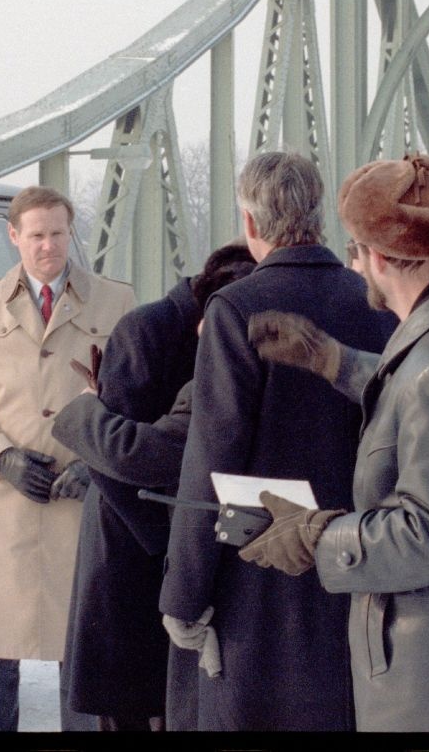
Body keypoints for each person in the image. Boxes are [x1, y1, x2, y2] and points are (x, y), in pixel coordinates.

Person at [242, 154, 429, 732]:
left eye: (355, 251)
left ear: (377, 258)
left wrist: (318, 535)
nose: (354, 264)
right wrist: (338, 363)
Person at [158, 152, 395, 731]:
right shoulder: (377, 303)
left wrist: (183, 596)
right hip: (359, 564)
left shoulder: (235, 308)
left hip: (260, 574)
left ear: (250, 223)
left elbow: (212, 456)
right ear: (319, 216)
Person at [0, 186, 136, 731]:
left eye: (57, 233)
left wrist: (96, 464)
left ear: (70, 233)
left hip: (82, 503)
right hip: (5, 505)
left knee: (84, 653)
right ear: (14, 236)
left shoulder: (116, 302)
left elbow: (135, 402)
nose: (48, 246)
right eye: (37, 235)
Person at [50, 243, 256, 732]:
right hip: (128, 543)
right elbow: (114, 461)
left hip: (177, 543)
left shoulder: (203, 329)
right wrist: (168, 541)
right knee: (130, 704)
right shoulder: (146, 330)